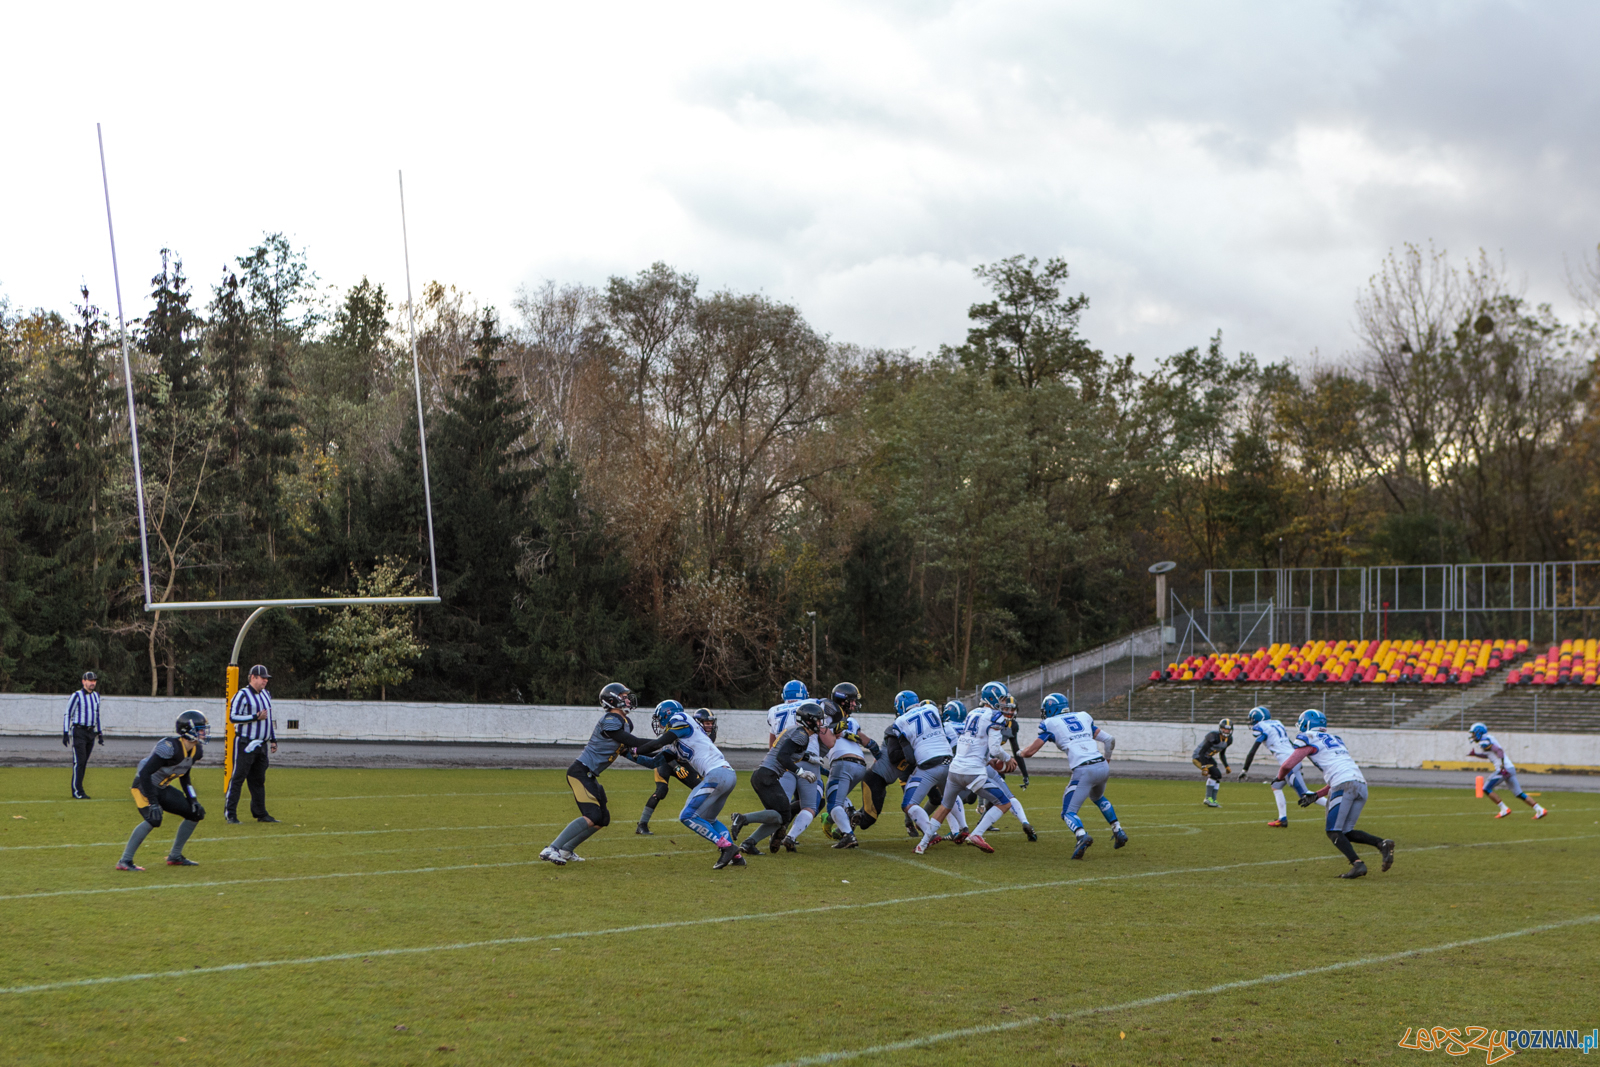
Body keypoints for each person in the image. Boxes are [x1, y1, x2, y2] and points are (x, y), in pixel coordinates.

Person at [542, 682, 657, 866]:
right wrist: (666, 742)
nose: (628, 699)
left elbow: (633, 751)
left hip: (590, 774)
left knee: (602, 818)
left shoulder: (625, 723)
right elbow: (634, 742)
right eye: (624, 696)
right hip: (580, 772)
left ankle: (566, 850)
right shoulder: (611, 720)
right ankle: (552, 848)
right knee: (592, 815)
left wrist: (665, 756)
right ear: (613, 699)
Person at [1279, 710, 1394, 879]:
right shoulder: (1336, 739)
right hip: (1360, 784)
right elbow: (1339, 775)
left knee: (1333, 831)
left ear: (1306, 724)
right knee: (1345, 831)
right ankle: (1381, 843)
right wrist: (1317, 795)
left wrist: (1278, 777)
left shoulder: (1308, 737)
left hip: (1343, 784)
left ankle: (1357, 864)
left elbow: (1288, 765)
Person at [632, 701, 745, 870]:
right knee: (708, 819)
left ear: (667, 714)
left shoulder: (680, 719)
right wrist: (626, 753)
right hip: (727, 774)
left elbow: (657, 743)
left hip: (716, 774)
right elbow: (654, 761)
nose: (659, 723)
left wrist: (635, 749)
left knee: (686, 816)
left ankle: (726, 847)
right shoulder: (679, 740)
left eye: (659, 718)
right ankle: (736, 856)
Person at [1020, 691, 1125, 859]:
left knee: (1068, 812)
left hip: (1084, 769)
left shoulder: (1051, 723)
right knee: (1098, 798)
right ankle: (1118, 830)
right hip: (1101, 765)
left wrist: (1016, 754)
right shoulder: (1082, 717)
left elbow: (1030, 751)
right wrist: (1107, 761)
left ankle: (1081, 835)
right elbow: (1109, 740)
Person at [117, 711, 210, 871]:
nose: (203, 733)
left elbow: (185, 777)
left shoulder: (196, 751)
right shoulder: (169, 747)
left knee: (195, 813)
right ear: (188, 730)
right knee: (154, 819)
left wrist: (193, 800)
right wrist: (153, 803)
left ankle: (175, 856)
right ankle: (124, 861)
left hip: (161, 787)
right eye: (201, 729)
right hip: (143, 785)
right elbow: (145, 773)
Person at [918, 699, 1013, 854]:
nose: (1004, 706)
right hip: (973, 772)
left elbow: (970, 744)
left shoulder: (972, 713)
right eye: (1002, 700)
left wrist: (989, 760)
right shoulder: (994, 716)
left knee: (944, 807)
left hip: (954, 769)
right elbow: (995, 749)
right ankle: (976, 834)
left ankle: (922, 844)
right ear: (993, 699)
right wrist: (1008, 759)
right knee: (1004, 803)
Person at [732, 702, 826, 853]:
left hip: (763, 775)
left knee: (778, 817)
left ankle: (749, 843)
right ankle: (742, 819)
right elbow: (783, 756)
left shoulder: (797, 732)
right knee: (784, 815)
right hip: (767, 776)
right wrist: (800, 772)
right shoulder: (801, 734)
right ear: (809, 720)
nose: (821, 723)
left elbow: (787, 751)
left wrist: (810, 758)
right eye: (818, 720)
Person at [889, 690, 957, 855]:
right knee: (950, 795)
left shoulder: (900, 721)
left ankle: (930, 833)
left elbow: (910, 758)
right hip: (949, 760)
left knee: (908, 804)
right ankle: (962, 829)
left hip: (928, 765)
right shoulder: (932, 709)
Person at [1238, 705, 1322, 826]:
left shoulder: (1261, 727)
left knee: (1305, 795)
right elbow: (1290, 742)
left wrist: (1245, 769)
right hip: (1293, 758)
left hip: (1288, 763)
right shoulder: (1277, 723)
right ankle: (1282, 819)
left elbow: (1253, 750)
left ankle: (1335, 806)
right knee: (1276, 785)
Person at [635, 709, 714, 835]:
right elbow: (667, 750)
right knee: (661, 791)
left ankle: (705, 821)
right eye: (707, 723)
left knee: (701, 788)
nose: (710, 725)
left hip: (683, 763)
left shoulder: (706, 734)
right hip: (667, 762)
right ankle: (642, 824)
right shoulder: (680, 728)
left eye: (711, 723)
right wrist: (676, 766)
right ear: (698, 722)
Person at [225, 664, 279, 823]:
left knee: (258, 780)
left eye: (266, 679)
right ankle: (231, 814)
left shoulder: (266, 695)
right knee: (238, 777)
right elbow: (233, 717)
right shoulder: (242, 695)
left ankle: (260, 813)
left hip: (261, 745)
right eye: (263, 678)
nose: (265, 681)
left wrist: (273, 739)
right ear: (253, 677)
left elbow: (268, 720)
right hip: (245, 743)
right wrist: (254, 717)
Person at [822, 708, 880, 850]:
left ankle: (848, 835)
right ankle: (851, 811)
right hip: (860, 765)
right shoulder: (851, 721)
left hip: (842, 762)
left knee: (833, 803)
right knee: (839, 797)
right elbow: (869, 743)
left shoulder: (822, 722)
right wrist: (879, 757)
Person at [1467, 722, 1547, 820]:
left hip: (1504, 769)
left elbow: (1499, 750)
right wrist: (1476, 754)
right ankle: (1539, 809)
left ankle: (1504, 809)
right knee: (1518, 793)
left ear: (1479, 732)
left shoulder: (1484, 741)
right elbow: (1489, 754)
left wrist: (1501, 765)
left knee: (1486, 788)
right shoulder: (1488, 739)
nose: (1472, 736)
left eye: (1473, 733)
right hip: (1510, 768)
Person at [63, 671, 103, 799]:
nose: (92, 683)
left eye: (94, 681)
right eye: (90, 681)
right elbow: (67, 713)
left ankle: (79, 789)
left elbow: (97, 715)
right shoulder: (77, 695)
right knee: (79, 762)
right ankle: (77, 791)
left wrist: (99, 732)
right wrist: (65, 732)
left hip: (90, 732)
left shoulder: (96, 696)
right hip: (79, 731)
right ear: (83, 681)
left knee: (84, 762)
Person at [1193, 717, 1233, 807]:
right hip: (1199, 757)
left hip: (1208, 757)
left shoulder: (1229, 740)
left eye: (1228, 729)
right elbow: (1201, 752)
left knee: (1218, 776)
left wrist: (1226, 766)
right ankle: (1208, 798)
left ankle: (1213, 800)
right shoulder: (1213, 736)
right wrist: (1203, 767)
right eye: (1224, 729)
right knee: (1216, 773)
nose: (1226, 731)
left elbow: (1222, 754)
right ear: (1220, 729)